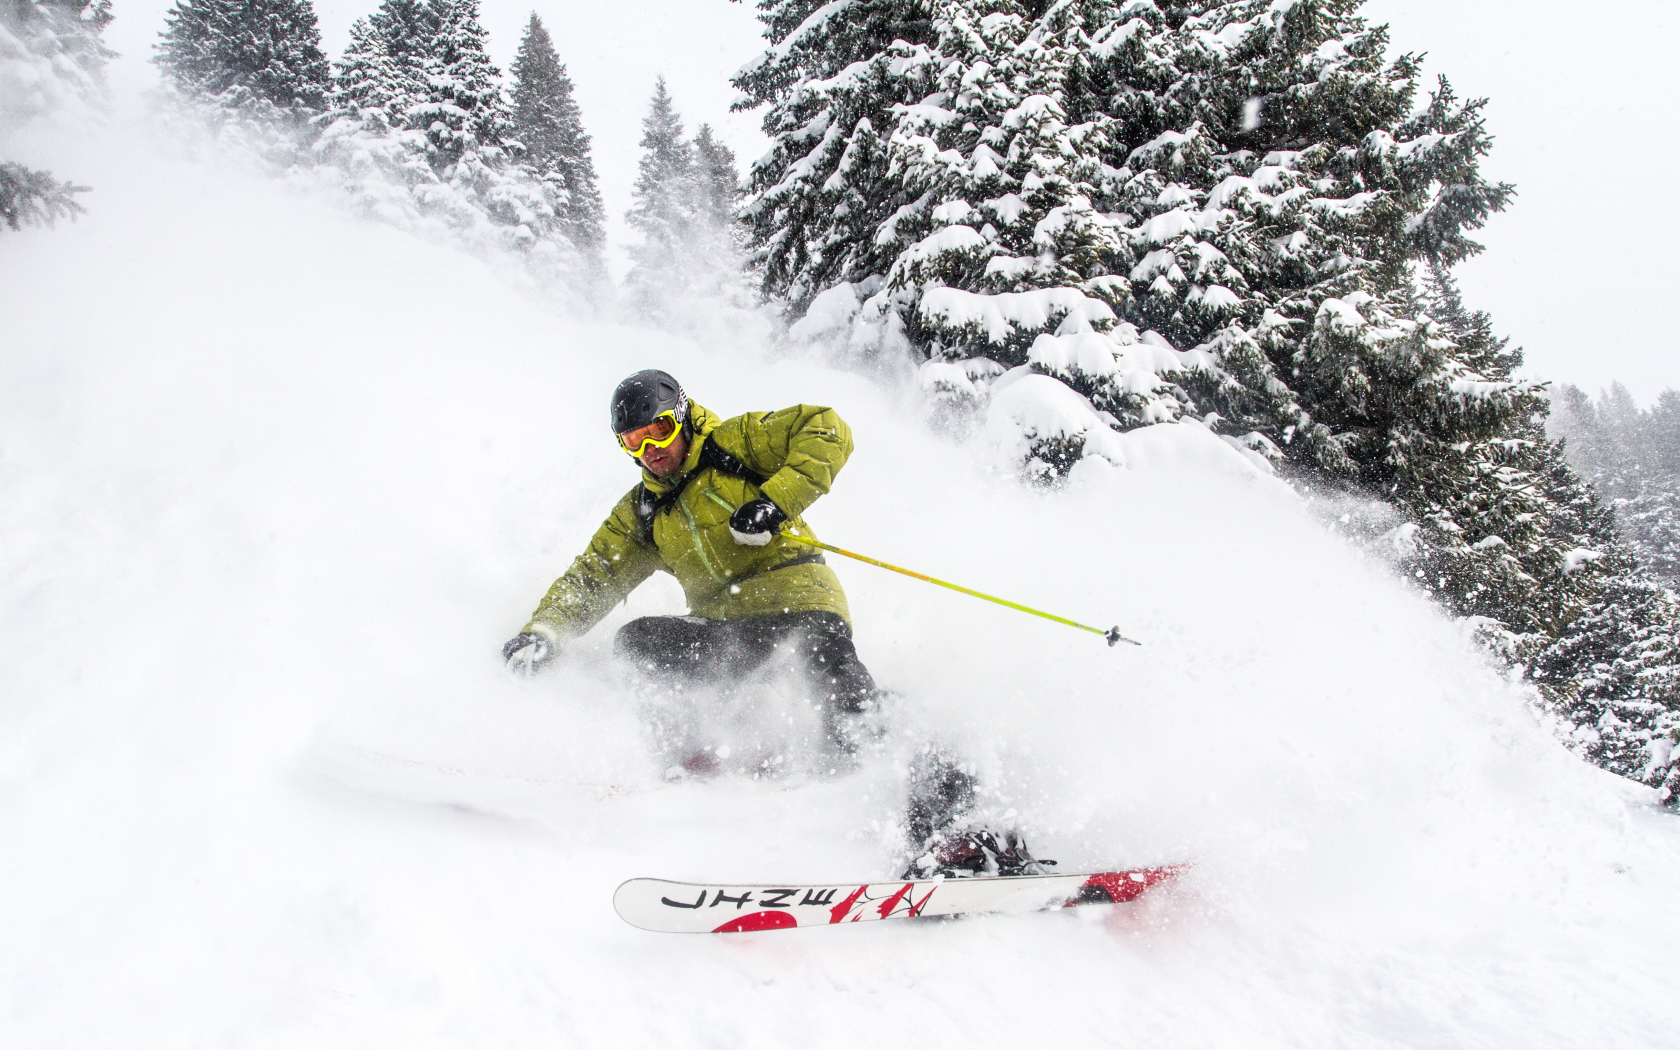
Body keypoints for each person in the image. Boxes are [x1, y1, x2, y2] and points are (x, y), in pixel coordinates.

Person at [501, 370, 879, 757]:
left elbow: (825, 428)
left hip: (797, 603)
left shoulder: (734, 444)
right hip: (728, 630)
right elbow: (597, 573)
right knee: (638, 643)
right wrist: (543, 632)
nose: (651, 448)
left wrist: (774, 505)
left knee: (814, 659)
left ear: (680, 416)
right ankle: (690, 754)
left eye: (660, 430)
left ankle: (875, 745)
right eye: (634, 441)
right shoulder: (645, 511)